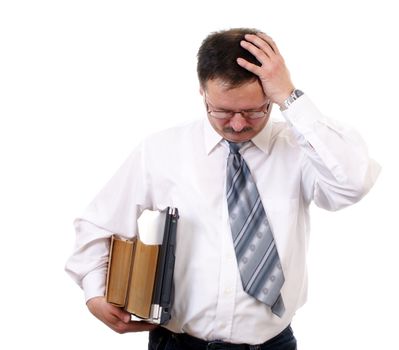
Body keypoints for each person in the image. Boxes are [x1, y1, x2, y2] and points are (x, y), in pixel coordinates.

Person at [65, 28, 380, 349]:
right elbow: (97, 224)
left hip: (272, 344)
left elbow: (352, 184)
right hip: (178, 343)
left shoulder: (302, 150)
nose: (239, 124)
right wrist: (95, 292)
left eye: (255, 111)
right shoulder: (161, 150)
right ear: (202, 91)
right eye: (223, 111)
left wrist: (290, 96)